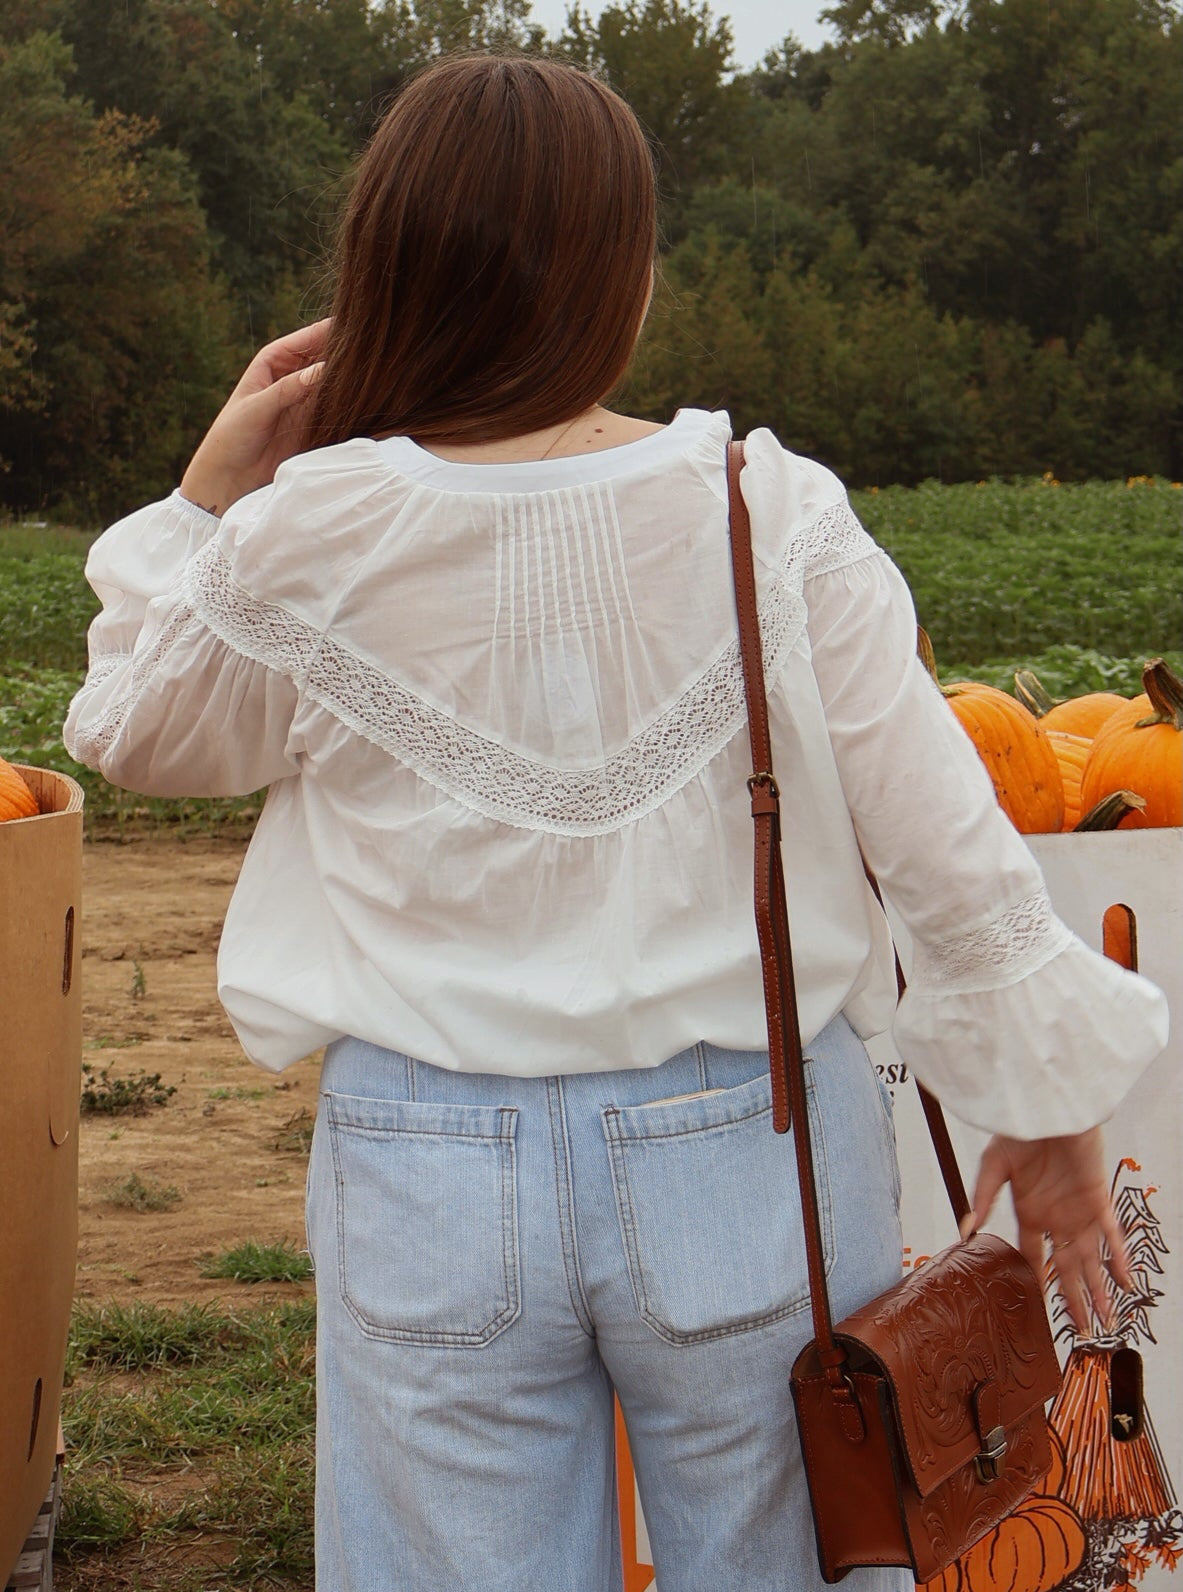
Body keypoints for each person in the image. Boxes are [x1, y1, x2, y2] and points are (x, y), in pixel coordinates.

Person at [64, 53, 1167, 1592]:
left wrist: (199, 505)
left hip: (425, 1162)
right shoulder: (771, 512)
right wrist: (1048, 1121)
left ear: (389, 273)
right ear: (623, 286)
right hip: (751, 1149)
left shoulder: (312, 530)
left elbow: (137, 735)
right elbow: (948, 850)